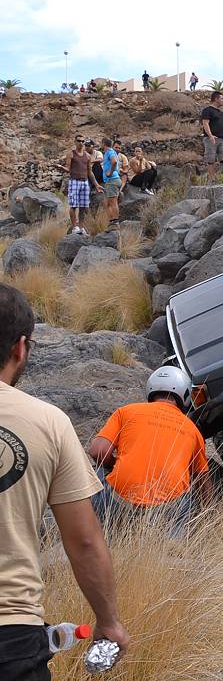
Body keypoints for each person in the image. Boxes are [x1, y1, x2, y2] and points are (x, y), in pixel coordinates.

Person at [0, 284, 130, 680]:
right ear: (21, 347)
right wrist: (108, 623)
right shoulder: (48, 422)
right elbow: (84, 539)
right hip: (11, 635)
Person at [87, 366, 212, 536]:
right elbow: (203, 482)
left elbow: (97, 451)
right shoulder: (193, 430)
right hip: (167, 510)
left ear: (151, 391)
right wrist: (209, 517)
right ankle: (172, 544)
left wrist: (114, 465)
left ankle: (94, 533)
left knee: (98, 473)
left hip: (117, 502)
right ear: (184, 394)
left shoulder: (126, 411)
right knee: (188, 492)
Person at [63, 135, 101, 234]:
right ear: (75, 142)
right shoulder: (71, 154)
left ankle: (81, 227)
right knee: (73, 205)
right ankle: (74, 227)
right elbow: (68, 168)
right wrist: (61, 167)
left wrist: (96, 184)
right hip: (74, 181)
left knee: (83, 206)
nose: (81, 143)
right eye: (79, 141)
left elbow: (90, 172)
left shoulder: (87, 156)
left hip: (84, 182)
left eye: (82, 141)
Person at [201, 91, 223, 182]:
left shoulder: (221, 113)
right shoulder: (207, 110)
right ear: (216, 99)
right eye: (222, 98)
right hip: (211, 139)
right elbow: (205, 123)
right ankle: (212, 180)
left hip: (222, 139)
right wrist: (210, 136)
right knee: (211, 160)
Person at [100, 137, 122, 228]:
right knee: (107, 203)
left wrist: (110, 172)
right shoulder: (108, 153)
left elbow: (114, 162)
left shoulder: (110, 152)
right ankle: (112, 221)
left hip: (112, 180)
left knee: (113, 202)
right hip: (111, 181)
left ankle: (115, 222)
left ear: (103, 144)